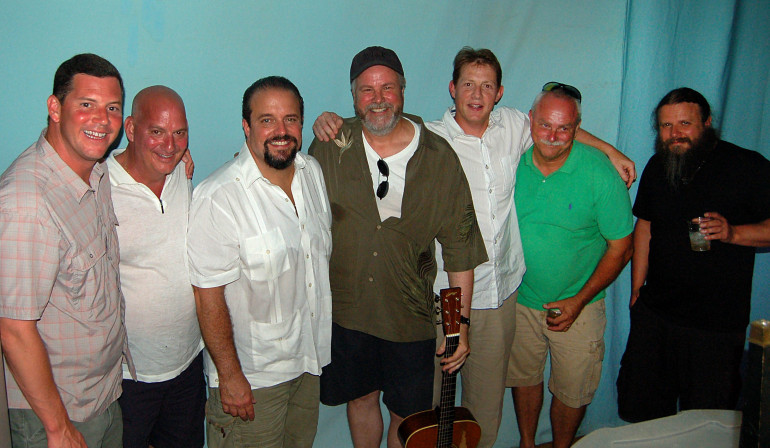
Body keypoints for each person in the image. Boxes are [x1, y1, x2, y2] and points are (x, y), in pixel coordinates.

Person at [312, 47, 636, 448]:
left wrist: (610, 151)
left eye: (486, 86)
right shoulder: (425, 139)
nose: (477, 94)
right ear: (452, 88)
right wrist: (326, 121)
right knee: (417, 410)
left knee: (478, 406)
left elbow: (555, 125)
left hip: (494, 296)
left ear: (499, 92)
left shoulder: (505, 129)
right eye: (468, 84)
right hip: (434, 299)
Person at [308, 45, 487, 448]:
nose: (378, 99)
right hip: (348, 312)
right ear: (354, 96)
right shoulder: (329, 146)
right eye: (367, 90)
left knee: (408, 415)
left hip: (410, 315)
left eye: (387, 88)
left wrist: (460, 327)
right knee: (360, 398)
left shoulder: (439, 158)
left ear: (403, 91)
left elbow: (460, 249)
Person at [187, 76, 332, 448]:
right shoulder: (219, 196)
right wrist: (230, 376)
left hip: (308, 364)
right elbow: (207, 297)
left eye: (291, 119)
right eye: (267, 120)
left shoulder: (312, 174)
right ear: (246, 126)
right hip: (252, 382)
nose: (281, 131)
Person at [0, 53, 131, 448]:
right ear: (55, 108)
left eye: (112, 108)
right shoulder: (27, 203)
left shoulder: (96, 170)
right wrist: (58, 427)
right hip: (56, 414)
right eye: (86, 104)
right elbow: (13, 328)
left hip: (102, 395)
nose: (102, 120)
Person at [616, 87, 770, 422]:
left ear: (707, 122)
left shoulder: (747, 166)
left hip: (715, 326)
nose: (675, 133)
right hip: (656, 315)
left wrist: (733, 233)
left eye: (684, 123)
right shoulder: (658, 165)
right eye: (666, 126)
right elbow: (645, 225)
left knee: (706, 422)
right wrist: (637, 288)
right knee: (643, 413)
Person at [507, 84, 633, 448]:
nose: (552, 136)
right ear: (531, 121)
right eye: (545, 125)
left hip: (580, 305)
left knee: (573, 390)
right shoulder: (510, 161)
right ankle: (527, 443)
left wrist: (579, 300)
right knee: (524, 378)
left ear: (577, 129)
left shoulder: (599, 173)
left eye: (564, 128)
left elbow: (622, 247)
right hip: (520, 300)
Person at [107, 86, 205, 448]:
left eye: (180, 132)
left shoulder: (180, 171)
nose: (170, 144)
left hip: (189, 362)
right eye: (157, 131)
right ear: (131, 129)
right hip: (129, 376)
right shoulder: (101, 186)